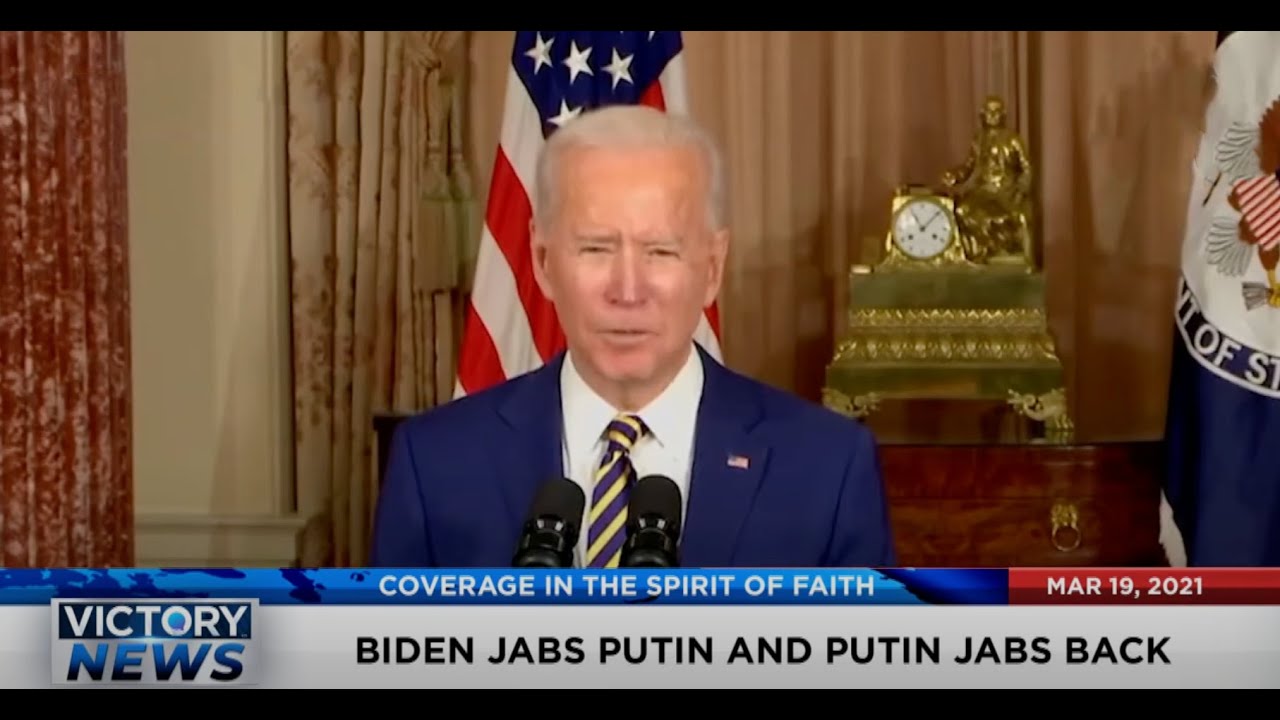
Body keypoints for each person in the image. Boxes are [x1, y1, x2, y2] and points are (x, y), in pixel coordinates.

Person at [369, 105, 895, 568]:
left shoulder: (828, 468)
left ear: (712, 269)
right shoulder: (435, 462)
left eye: (661, 251)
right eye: (596, 249)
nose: (628, 290)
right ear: (543, 261)